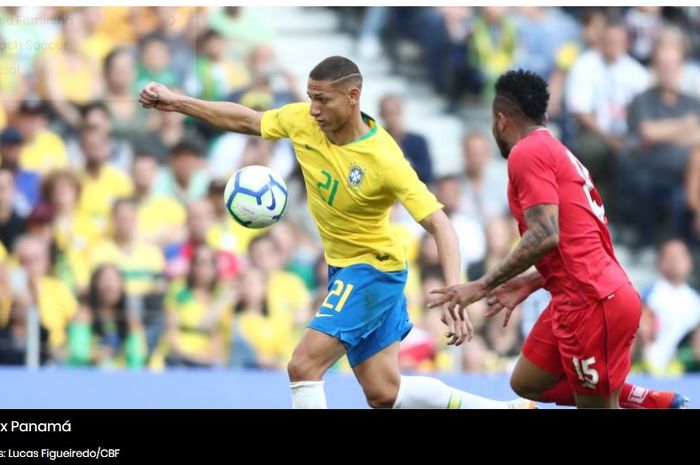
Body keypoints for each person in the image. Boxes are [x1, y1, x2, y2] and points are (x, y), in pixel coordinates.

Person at [139, 55, 533, 409]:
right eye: (310, 97)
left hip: (372, 271)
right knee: (384, 394)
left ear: (353, 97)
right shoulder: (303, 122)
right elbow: (246, 119)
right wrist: (177, 102)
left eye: (322, 99)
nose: (313, 109)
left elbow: (439, 224)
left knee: (303, 364)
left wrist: (455, 291)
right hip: (345, 269)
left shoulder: (384, 158)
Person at [430, 69, 689, 409]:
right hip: (583, 292)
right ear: (546, 116)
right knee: (527, 381)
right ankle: (644, 399)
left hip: (592, 302)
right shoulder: (557, 151)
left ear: (501, 119)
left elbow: (545, 234)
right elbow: (575, 240)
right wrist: (532, 281)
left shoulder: (527, 154)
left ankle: (624, 397)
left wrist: (482, 285)